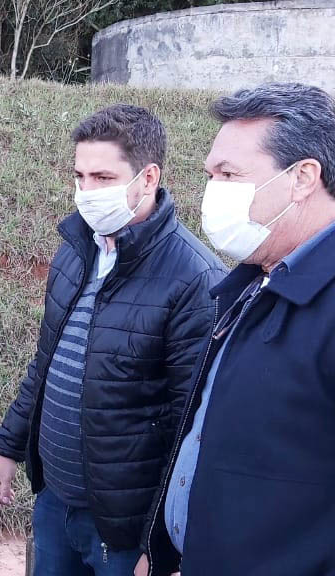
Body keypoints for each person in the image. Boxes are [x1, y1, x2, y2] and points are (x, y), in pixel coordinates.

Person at [0, 104, 226, 576]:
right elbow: (46, 362)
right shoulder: (76, 249)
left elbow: (189, 425)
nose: (86, 193)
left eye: (102, 177)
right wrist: (9, 447)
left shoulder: (194, 278)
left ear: (148, 177)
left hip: (122, 528)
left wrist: (157, 543)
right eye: (79, 176)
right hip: (54, 500)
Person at [145, 83, 335, 576]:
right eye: (210, 174)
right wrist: (162, 545)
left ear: (303, 178)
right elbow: (205, 433)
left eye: (228, 174)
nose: (213, 190)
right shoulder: (255, 281)